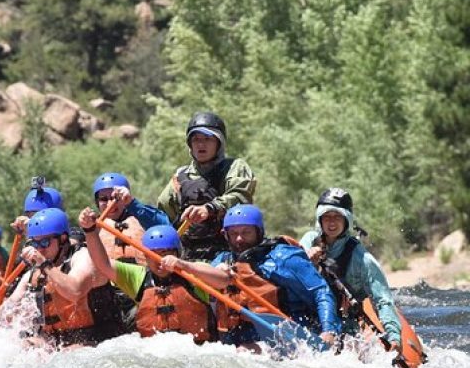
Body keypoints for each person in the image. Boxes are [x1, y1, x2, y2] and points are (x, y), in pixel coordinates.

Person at [172, 204, 340, 351]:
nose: (239, 239)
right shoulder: (223, 259)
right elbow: (209, 275)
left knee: (244, 351)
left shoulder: (283, 257)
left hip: (286, 338)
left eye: (246, 232)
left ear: (258, 232)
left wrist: (329, 331)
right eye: (234, 233)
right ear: (226, 235)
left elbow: (321, 292)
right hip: (236, 343)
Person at [0, 208, 125, 349]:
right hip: (57, 340)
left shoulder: (82, 257)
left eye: (44, 243)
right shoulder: (36, 271)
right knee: (21, 347)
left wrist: (44, 264)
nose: (39, 249)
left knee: (71, 353)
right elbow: (11, 305)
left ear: (63, 239)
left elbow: (75, 291)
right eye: (35, 243)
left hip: (97, 336)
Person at [80, 209, 216, 344]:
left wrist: (184, 265)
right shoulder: (139, 277)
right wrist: (90, 231)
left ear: (177, 253)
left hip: (197, 349)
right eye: (153, 254)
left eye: (165, 253)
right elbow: (102, 264)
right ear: (145, 256)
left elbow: (222, 280)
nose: (159, 259)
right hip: (155, 352)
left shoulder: (194, 273)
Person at [300, 188, 402, 355]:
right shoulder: (308, 241)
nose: (331, 222)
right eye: (327, 217)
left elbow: (383, 300)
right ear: (320, 219)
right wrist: (305, 259)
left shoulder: (362, 258)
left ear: (347, 219)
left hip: (347, 324)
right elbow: (289, 272)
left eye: (337, 217)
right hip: (311, 315)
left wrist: (393, 336)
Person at [157, 112, 256, 260]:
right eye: (196, 139)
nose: (201, 144)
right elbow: (163, 214)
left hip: (229, 253)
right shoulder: (180, 176)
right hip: (188, 255)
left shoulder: (235, 167)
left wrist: (209, 208)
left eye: (207, 139)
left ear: (219, 143)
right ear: (190, 144)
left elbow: (240, 197)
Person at [92, 172, 170, 265]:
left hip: (144, 276)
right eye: (104, 199)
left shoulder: (141, 216)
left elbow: (167, 227)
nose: (110, 203)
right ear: (97, 202)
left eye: (115, 197)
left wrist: (132, 203)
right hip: (109, 276)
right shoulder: (93, 227)